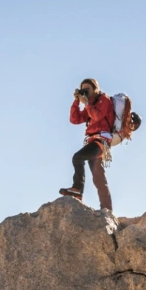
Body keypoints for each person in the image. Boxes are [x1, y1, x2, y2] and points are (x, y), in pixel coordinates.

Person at [59, 78, 117, 211]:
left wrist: (86, 103)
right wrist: (76, 101)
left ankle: (77, 189)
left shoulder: (104, 100)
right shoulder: (89, 104)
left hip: (101, 141)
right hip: (93, 141)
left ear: (95, 89)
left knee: (77, 157)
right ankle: (107, 210)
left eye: (87, 89)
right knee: (98, 178)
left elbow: (97, 116)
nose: (85, 92)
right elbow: (74, 119)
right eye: (83, 89)